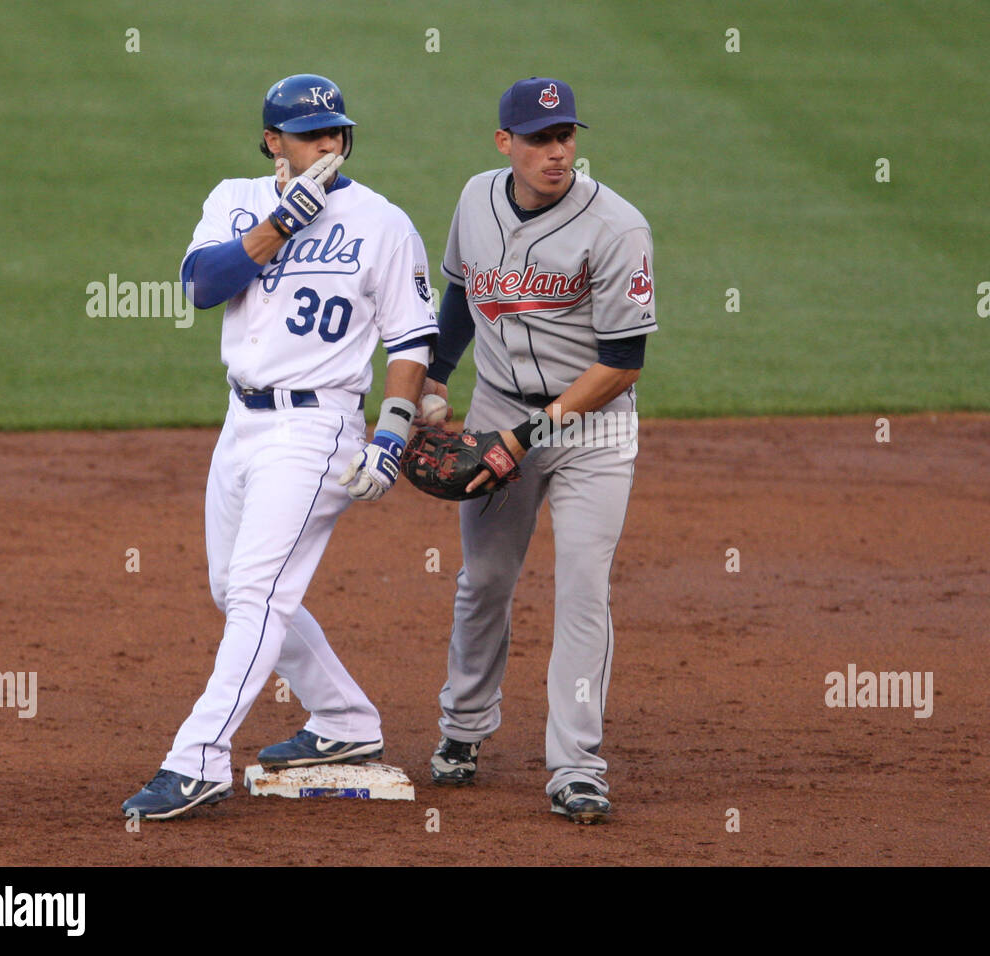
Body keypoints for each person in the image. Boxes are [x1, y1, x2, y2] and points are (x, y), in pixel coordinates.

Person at [122, 74, 437, 820]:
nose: (329, 145)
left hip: (316, 430)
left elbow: (413, 335)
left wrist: (391, 430)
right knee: (232, 587)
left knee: (259, 595)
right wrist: (280, 224)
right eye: (311, 135)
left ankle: (196, 761)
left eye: (337, 132)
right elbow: (200, 287)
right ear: (274, 143)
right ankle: (344, 722)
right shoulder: (235, 198)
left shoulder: (381, 222)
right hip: (241, 423)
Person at [423, 77, 657, 823]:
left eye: (565, 137)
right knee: (486, 578)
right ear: (506, 144)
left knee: (582, 588)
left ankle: (577, 766)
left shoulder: (617, 228)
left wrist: (524, 439)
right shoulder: (474, 199)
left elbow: (621, 362)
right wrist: (432, 383)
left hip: (593, 428)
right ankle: (462, 730)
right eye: (539, 140)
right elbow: (460, 298)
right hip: (498, 409)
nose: (557, 153)